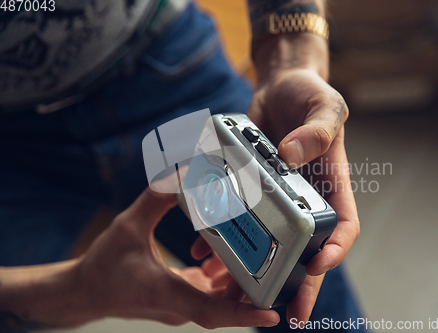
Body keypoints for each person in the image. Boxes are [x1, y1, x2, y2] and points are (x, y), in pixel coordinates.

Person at [0, 0, 364, 331]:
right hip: (12, 141)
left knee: (318, 310)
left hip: (164, 61)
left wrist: (291, 58)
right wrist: (78, 291)